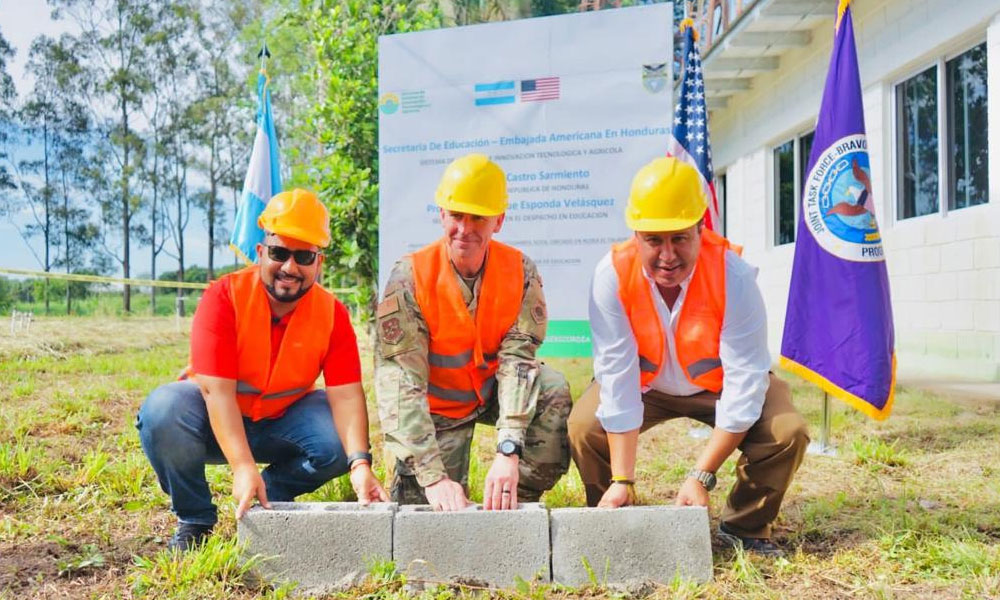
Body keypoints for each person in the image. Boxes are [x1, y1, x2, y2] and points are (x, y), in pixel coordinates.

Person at [568, 157, 809, 556]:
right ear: (636, 235)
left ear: (700, 228)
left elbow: (745, 385)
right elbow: (616, 377)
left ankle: (745, 526)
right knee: (584, 425)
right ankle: (612, 512)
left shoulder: (734, 276)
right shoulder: (611, 276)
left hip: (719, 388)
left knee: (786, 432)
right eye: (654, 240)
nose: (667, 255)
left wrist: (701, 475)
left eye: (679, 238)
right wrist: (624, 477)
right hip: (647, 387)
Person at [137, 188, 387, 551]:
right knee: (163, 409)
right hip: (213, 421)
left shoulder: (333, 314)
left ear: (319, 263)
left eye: (304, 256)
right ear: (260, 252)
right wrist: (242, 466)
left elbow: (346, 396)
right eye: (279, 253)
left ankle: (270, 494)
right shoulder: (224, 297)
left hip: (282, 423)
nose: (290, 267)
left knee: (338, 437)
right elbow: (217, 394)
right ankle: (195, 518)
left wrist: (359, 464)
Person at [375, 153, 571, 511]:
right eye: (457, 215)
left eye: (478, 217)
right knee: (428, 516)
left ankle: (513, 498)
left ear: (499, 220)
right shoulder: (410, 277)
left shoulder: (519, 271)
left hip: (490, 392)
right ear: (442, 215)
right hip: (436, 410)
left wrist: (509, 450)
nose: (465, 229)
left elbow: (518, 361)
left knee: (552, 388)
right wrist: (433, 477)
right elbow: (400, 385)